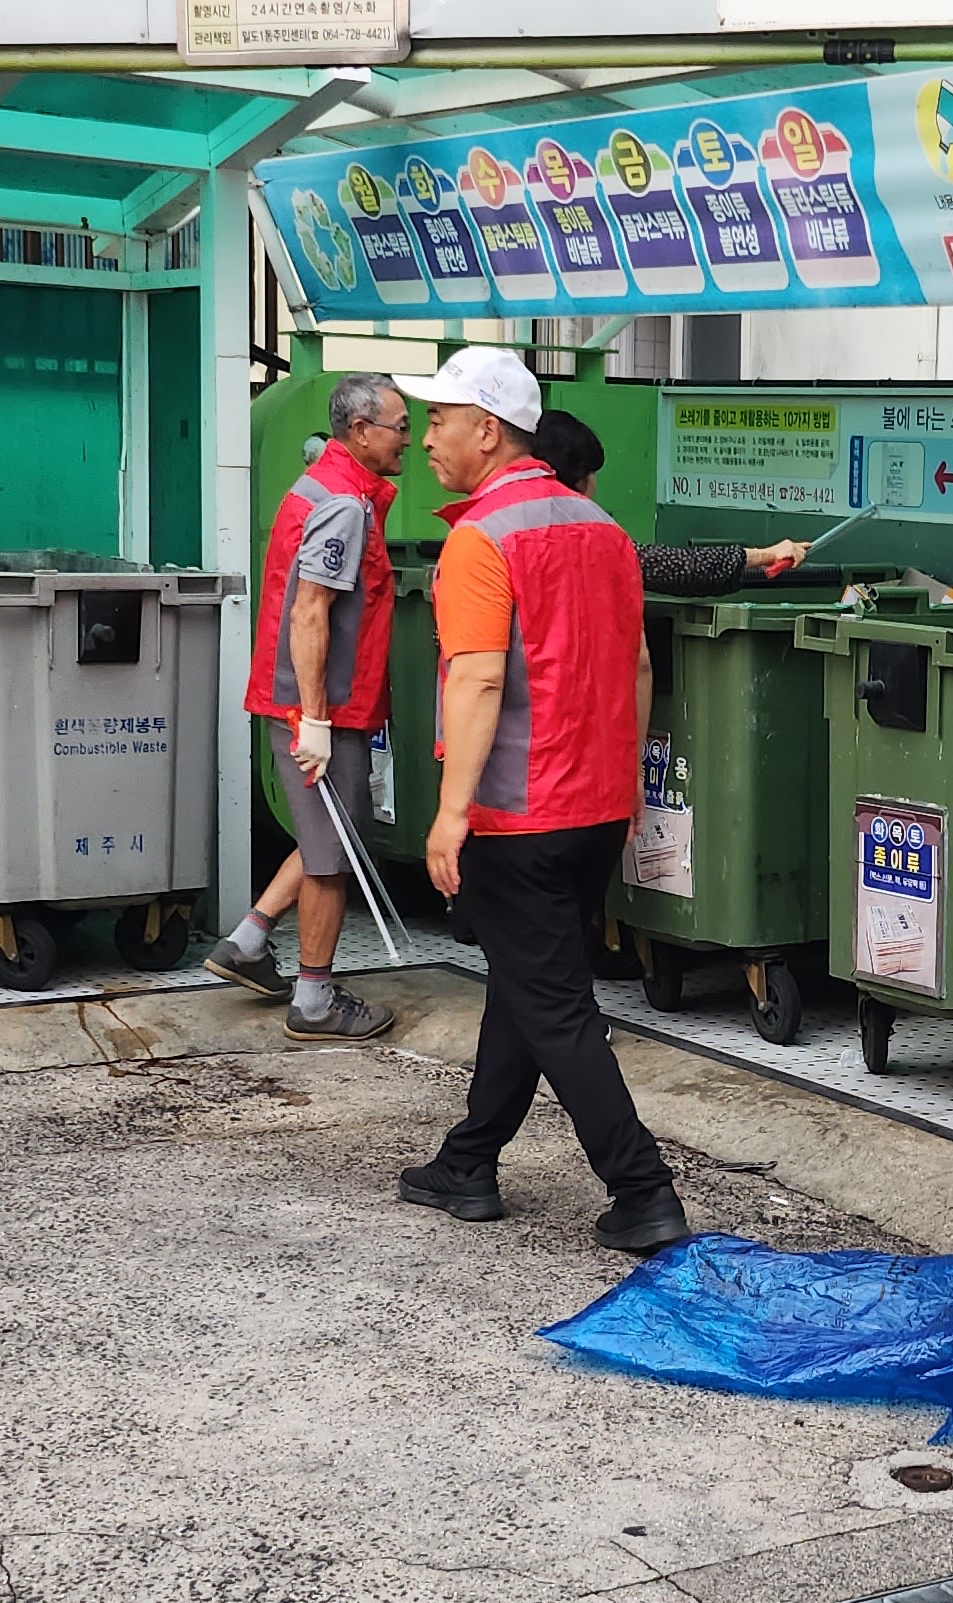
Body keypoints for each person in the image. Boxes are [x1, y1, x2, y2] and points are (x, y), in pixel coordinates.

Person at [385, 347, 693, 1256]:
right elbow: (638, 665)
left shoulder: (483, 538)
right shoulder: (603, 530)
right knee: (528, 986)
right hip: (594, 807)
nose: (426, 438)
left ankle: (643, 1190)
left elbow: (476, 679)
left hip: (517, 815)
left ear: (489, 429)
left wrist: (450, 812)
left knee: (554, 1004)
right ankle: (468, 1162)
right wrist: (631, 789)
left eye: (438, 420)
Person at [211, 372, 408, 1041]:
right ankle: (315, 1001)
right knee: (332, 859)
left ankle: (247, 939)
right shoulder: (343, 507)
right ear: (361, 431)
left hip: (307, 701)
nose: (409, 440)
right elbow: (310, 615)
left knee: (333, 834)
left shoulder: (323, 489)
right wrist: (318, 720)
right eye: (400, 427)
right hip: (320, 709)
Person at [529, 409, 814, 594]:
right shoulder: (587, 537)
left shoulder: (500, 523)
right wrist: (767, 554)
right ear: (579, 479)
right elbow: (678, 567)